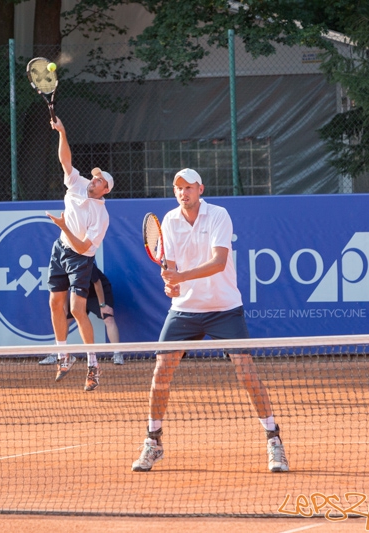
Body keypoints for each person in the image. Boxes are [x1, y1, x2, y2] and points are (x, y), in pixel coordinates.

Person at [131, 168, 289, 473]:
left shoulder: (219, 215)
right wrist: (171, 285)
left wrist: (181, 276)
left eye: (188, 187)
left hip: (224, 307)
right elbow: (173, 272)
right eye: (178, 188)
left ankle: (274, 440)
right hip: (185, 310)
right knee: (161, 371)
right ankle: (153, 441)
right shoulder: (170, 221)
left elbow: (218, 262)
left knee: (246, 373)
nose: (182, 193)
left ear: (200, 189)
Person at [46, 116, 114, 391]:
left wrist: (64, 226)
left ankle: (93, 364)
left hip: (81, 259)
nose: (93, 180)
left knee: (76, 309)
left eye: (98, 181)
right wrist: (62, 131)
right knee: (54, 303)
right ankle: (63, 354)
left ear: (105, 190)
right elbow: (65, 161)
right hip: (60, 249)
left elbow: (85, 247)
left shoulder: (101, 216)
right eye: (94, 177)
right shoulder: (76, 182)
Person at [39, 264, 124, 366]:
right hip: (80, 294)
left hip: (99, 294)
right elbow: (64, 291)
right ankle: (57, 353)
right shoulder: (63, 269)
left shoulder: (86, 263)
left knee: (108, 319)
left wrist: (102, 305)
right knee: (64, 321)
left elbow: (97, 284)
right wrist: (65, 311)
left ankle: (117, 353)